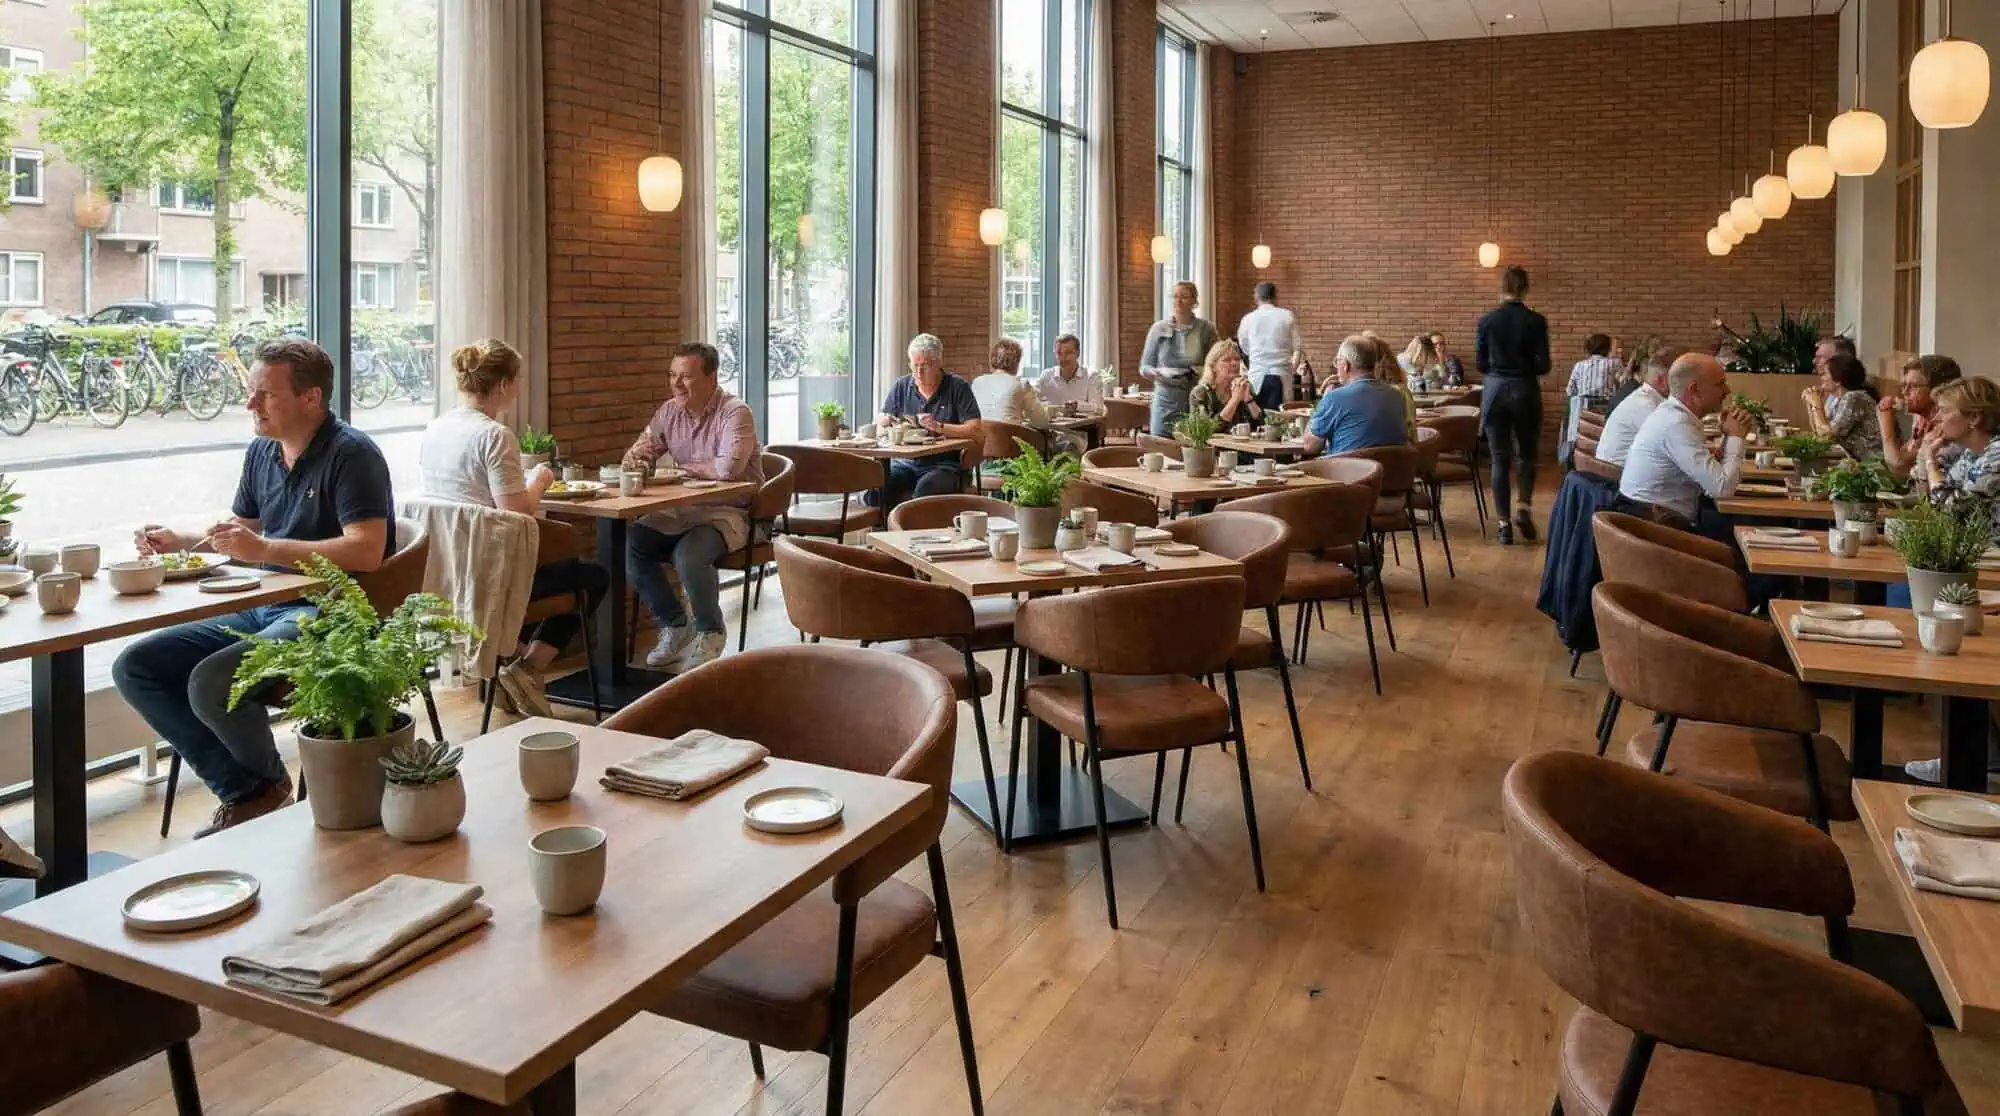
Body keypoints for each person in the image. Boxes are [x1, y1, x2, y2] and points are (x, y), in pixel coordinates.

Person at [113, 340, 396, 837]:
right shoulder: (262, 452)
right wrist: (180, 540)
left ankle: (258, 792)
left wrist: (265, 549)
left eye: (265, 394)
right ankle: (250, 791)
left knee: (211, 681)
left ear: (311, 398)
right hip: (264, 605)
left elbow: (366, 550)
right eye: (251, 392)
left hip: (330, 614)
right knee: (136, 666)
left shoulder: (352, 454)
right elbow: (241, 531)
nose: (250, 404)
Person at [418, 339, 610, 717]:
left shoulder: (435, 428)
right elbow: (516, 512)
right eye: (518, 378)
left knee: (561, 568)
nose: (520, 385)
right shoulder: (494, 435)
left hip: (448, 575)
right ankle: (528, 667)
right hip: (493, 578)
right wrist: (539, 481)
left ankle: (511, 667)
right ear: (504, 384)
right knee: (594, 577)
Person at [621, 341, 764, 675]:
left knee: (688, 554)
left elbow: (728, 469)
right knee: (632, 542)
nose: (676, 384)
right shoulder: (668, 412)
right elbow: (637, 454)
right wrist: (637, 462)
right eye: (672, 375)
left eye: (686, 376)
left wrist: (682, 470)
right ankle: (674, 624)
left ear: (711, 379)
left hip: (733, 512)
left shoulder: (736, 412)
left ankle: (711, 631)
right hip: (682, 510)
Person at [1902, 376, 2000, 784]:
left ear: (1974, 417)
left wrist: (1929, 462)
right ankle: (1979, 757)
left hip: (1991, 570)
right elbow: (1930, 502)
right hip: (1977, 563)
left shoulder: (1996, 455)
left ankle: (1975, 762)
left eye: (1945, 411)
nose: (1938, 418)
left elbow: (1955, 509)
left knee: (1953, 642)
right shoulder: (1969, 454)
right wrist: (1928, 459)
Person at [1616, 353, 1752, 536]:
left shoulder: (1675, 416)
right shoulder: (1676, 424)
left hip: (1655, 520)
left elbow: (1711, 478)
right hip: (1656, 531)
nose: (1727, 390)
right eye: (1720, 384)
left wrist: (1728, 435)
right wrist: (1736, 436)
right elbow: (1722, 488)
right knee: (1743, 533)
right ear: (1695, 390)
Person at [1476, 266, 1552, 544]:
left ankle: (1503, 524)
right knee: (1527, 455)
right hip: (1525, 390)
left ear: (1502, 288)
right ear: (1525, 289)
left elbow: (1480, 364)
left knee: (1499, 458)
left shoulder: (1487, 321)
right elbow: (1544, 366)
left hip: (1495, 392)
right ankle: (1523, 507)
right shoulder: (1536, 321)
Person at [876, 333, 983, 505]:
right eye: (915, 365)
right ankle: (891, 522)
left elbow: (976, 430)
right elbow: (882, 420)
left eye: (925, 365)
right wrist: (884, 421)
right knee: (878, 490)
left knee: (926, 490)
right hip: (905, 463)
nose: (918, 372)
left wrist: (939, 427)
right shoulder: (902, 385)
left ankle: (914, 522)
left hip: (945, 465)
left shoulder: (957, 387)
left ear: (938, 363)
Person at [1302, 336, 1410, 456]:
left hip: (1347, 467)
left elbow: (1310, 446)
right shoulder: (1397, 396)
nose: (1336, 367)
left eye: (1337, 361)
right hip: (1393, 467)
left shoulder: (1335, 397)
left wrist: (1324, 399)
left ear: (1345, 365)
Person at [1140, 280, 1217, 436]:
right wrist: (1160, 372)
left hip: (1195, 398)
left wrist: (1198, 371)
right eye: (1175, 296)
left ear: (1194, 300)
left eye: (1184, 296)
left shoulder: (1205, 329)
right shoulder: (1158, 328)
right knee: (1160, 445)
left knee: (1192, 444)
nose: (1178, 301)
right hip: (1165, 398)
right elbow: (1144, 367)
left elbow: (1216, 363)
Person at [1877, 354, 1962, 478]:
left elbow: (1898, 465)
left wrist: (1885, 419)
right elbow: (1903, 456)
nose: (1904, 392)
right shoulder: (1921, 419)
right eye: (1904, 385)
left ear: (1937, 390)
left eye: (1913, 386)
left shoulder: (1946, 424)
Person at [1595, 344, 1677, 467]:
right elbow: (1674, 446)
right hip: (1617, 474)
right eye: (1678, 379)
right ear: (1661, 380)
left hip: (1615, 468)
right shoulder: (1647, 405)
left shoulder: (1643, 395)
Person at [1804, 353, 1885, 462]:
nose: (1821, 378)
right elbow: (1819, 433)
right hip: (1856, 462)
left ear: (1837, 380)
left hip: (1873, 465)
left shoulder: (1854, 398)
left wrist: (1817, 404)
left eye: (1824, 374)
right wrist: (1811, 403)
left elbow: (1826, 437)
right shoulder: (1840, 400)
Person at [1235, 281, 1301, 412]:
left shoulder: (1248, 319)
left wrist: (1256, 357)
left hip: (1257, 373)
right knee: (1282, 415)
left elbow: (1244, 345)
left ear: (1256, 297)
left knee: (1257, 413)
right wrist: (1292, 368)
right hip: (1282, 373)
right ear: (1275, 296)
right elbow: (1297, 347)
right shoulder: (1287, 316)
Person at [971, 338, 1050, 427]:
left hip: (982, 435)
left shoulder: (977, 383)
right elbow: (1042, 421)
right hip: (1011, 435)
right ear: (1017, 362)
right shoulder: (1021, 384)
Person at [1188, 340, 1265, 427]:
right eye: (1227, 360)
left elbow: (1263, 425)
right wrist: (1235, 400)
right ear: (1213, 366)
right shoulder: (1200, 393)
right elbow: (1204, 429)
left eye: (1237, 359)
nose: (1234, 363)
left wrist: (1249, 400)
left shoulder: (1244, 387)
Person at [1035, 333, 1102, 413]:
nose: (1063, 358)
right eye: (1059, 353)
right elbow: (1032, 400)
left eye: (1068, 353)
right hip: (1054, 421)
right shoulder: (1046, 376)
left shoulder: (1091, 376)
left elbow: (1098, 409)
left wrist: (1077, 406)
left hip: (1082, 421)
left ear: (1077, 353)